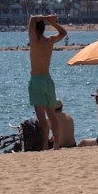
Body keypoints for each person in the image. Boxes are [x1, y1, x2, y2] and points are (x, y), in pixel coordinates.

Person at [27, 14, 67, 150]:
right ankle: (56, 145)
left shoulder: (34, 41)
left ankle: (44, 145)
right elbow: (63, 32)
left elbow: (32, 19)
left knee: (42, 118)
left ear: (35, 30)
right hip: (48, 80)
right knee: (52, 115)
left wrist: (46, 17)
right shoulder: (49, 41)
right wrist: (52, 22)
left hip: (37, 81)